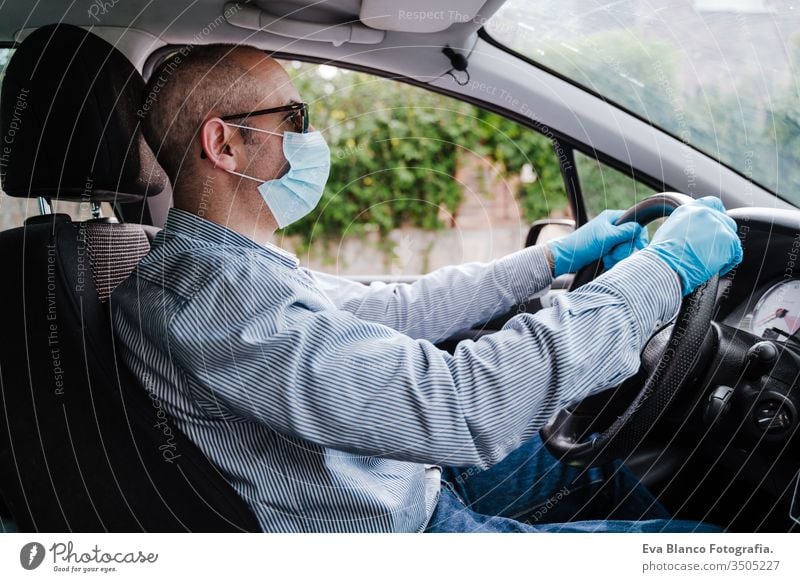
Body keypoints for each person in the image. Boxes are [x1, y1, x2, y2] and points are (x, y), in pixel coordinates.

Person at [112, 44, 742, 533]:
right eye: (295, 118)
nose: (311, 138)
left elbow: (394, 308)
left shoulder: (226, 264)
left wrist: (554, 257)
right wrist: (663, 273)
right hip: (402, 531)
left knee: (613, 468)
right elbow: (457, 406)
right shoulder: (214, 298)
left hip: (406, 477)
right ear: (223, 143)